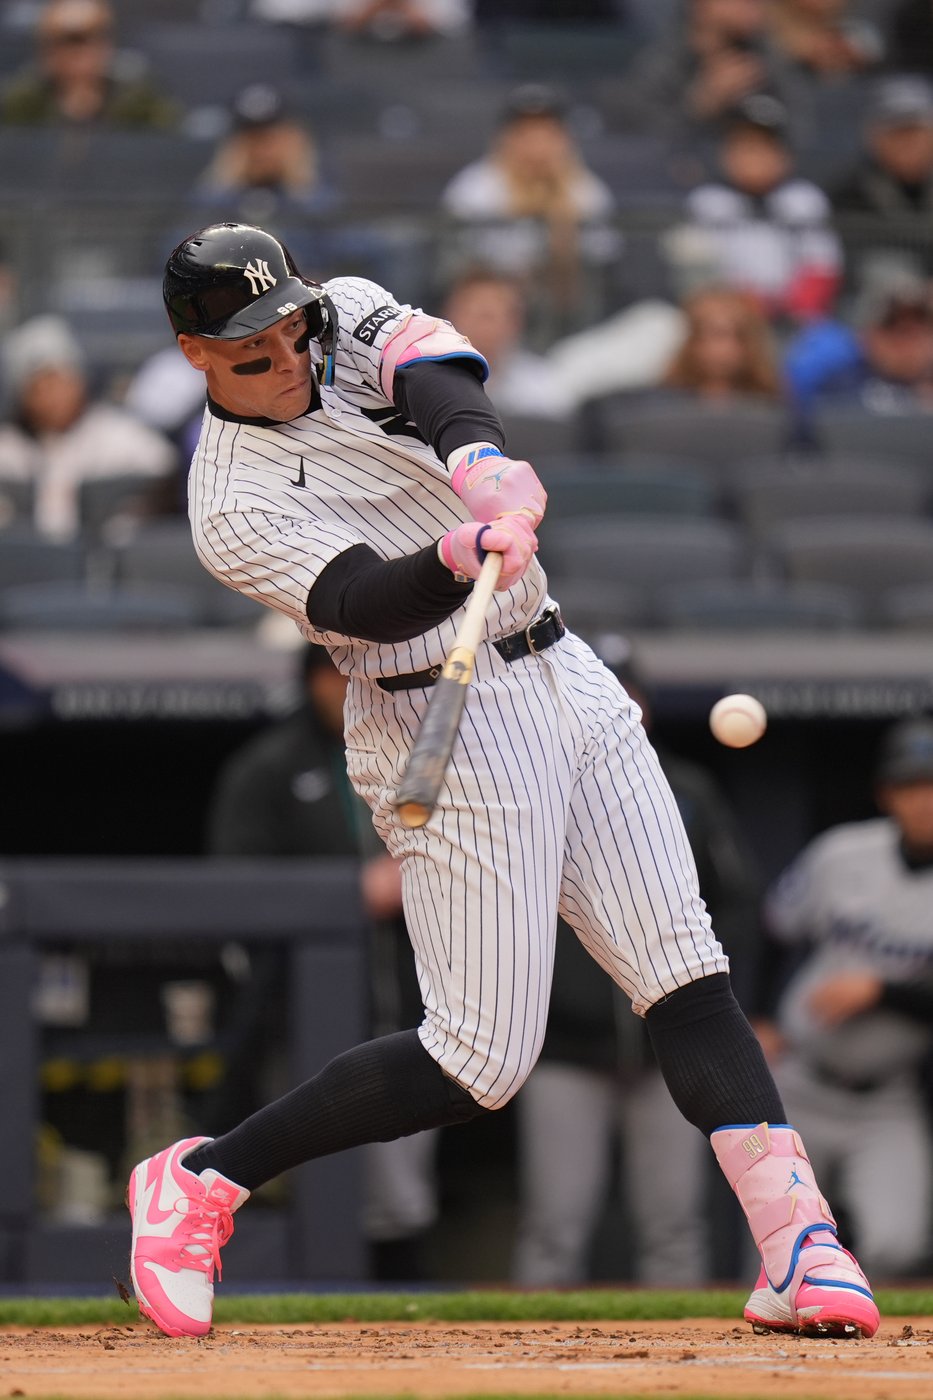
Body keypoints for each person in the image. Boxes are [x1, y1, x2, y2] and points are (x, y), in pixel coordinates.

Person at [125, 219, 879, 1343]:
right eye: (249, 346)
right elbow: (359, 604)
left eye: (286, 322)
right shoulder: (226, 503)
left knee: (683, 968)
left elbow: (435, 376)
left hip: (560, 666)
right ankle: (206, 1178)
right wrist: (448, 557)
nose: (283, 352)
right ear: (196, 354)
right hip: (430, 699)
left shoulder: (344, 310)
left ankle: (799, 1243)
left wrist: (478, 458)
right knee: (479, 1058)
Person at [513, 645, 763, 1287]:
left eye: (630, 693)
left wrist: (734, 1010)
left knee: (673, 1222)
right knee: (554, 1224)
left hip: (666, 1049)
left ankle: (686, 1379)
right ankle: (525, 1379)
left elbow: (734, 906)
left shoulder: (687, 790)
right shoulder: (525, 787)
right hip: (565, 1048)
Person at [207, 642, 439, 1280]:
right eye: (335, 677)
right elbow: (233, 887)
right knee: (306, 1173)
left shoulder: (409, 752)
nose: (349, 689)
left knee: (399, 1194)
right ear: (312, 680)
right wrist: (347, 892)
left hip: (407, 999)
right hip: (297, 1010)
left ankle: (394, 1314)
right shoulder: (269, 766)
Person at [754, 716, 933, 1279]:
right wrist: (759, 1015)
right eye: (910, 786)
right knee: (773, 1250)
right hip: (801, 1083)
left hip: (885, 1100)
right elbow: (773, 931)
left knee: (896, 1245)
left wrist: (882, 989)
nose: (923, 800)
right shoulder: (841, 854)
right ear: (887, 794)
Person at [440, 84, 619, 344]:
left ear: (565, 139)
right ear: (506, 137)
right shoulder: (474, 187)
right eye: (525, 133)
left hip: (569, 324)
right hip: (492, 325)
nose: (537, 144)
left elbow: (600, 270)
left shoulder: (586, 191)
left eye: (547, 133)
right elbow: (458, 270)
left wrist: (562, 231)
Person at [0, 314, 176, 540]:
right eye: (39, 388)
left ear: (79, 380)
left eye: (60, 381)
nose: (53, 397)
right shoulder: (8, 447)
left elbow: (167, 472)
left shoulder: (118, 433)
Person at [679, 93, 843, 327]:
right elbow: (702, 276)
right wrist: (745, 304)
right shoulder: (707, 202)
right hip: (730, 322)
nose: (752, 156)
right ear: (725, 153)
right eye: (743, 145)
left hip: (799, 321)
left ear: (784, 155)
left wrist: (794, 312)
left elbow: (822, 269)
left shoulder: (805, 199)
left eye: (763, 145)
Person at [783, 263, 933, 426]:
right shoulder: (838, 379)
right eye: (892, 324)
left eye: (919, 325)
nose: (906, 341)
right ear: (867, 332)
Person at [0, 0, 179, 129]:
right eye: (63, 41)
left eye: (84, 39)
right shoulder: (21, 101)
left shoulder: (139, 99)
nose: (74, 53)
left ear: (105, 44)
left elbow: (176, 144)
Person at [440, 268, 576, 420]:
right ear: (448, 318)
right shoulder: (425, 382)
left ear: (515, 323)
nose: (479, 326)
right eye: (472, 314)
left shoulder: (543, 387)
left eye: (488, 316)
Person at [832, 75, 933, 219]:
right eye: (896, 133)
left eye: (914, 132)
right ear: (873, 138)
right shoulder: (849, 195)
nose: (907, 143)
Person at [660, 285, 782, 403]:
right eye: (717, 335)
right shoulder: (663, 404)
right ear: (692, 341)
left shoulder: (771, 404)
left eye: (739, 336)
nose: (727, 348)